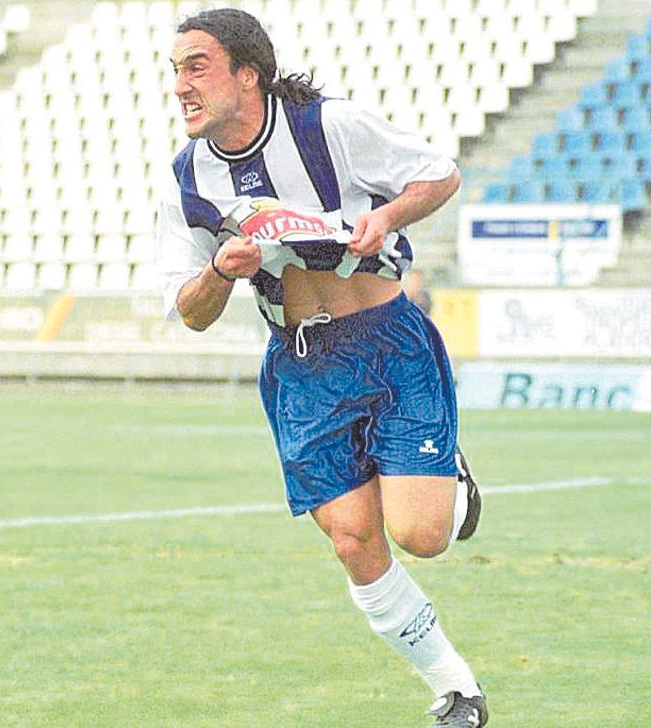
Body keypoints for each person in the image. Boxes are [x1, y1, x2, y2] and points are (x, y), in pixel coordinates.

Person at [155, 10, 487, 727]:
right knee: (352, 540)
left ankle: (449, 476)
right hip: (301, 366)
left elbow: (440, 174)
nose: (180, 85)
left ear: (248, 73)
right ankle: (455, 689)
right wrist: (220, 270)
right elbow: (190, 310)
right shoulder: (187, 180)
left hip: (387, 343)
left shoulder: (328, 125)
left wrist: (387, 218)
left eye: (196, 67)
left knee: (423, 536)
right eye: (175, 71)